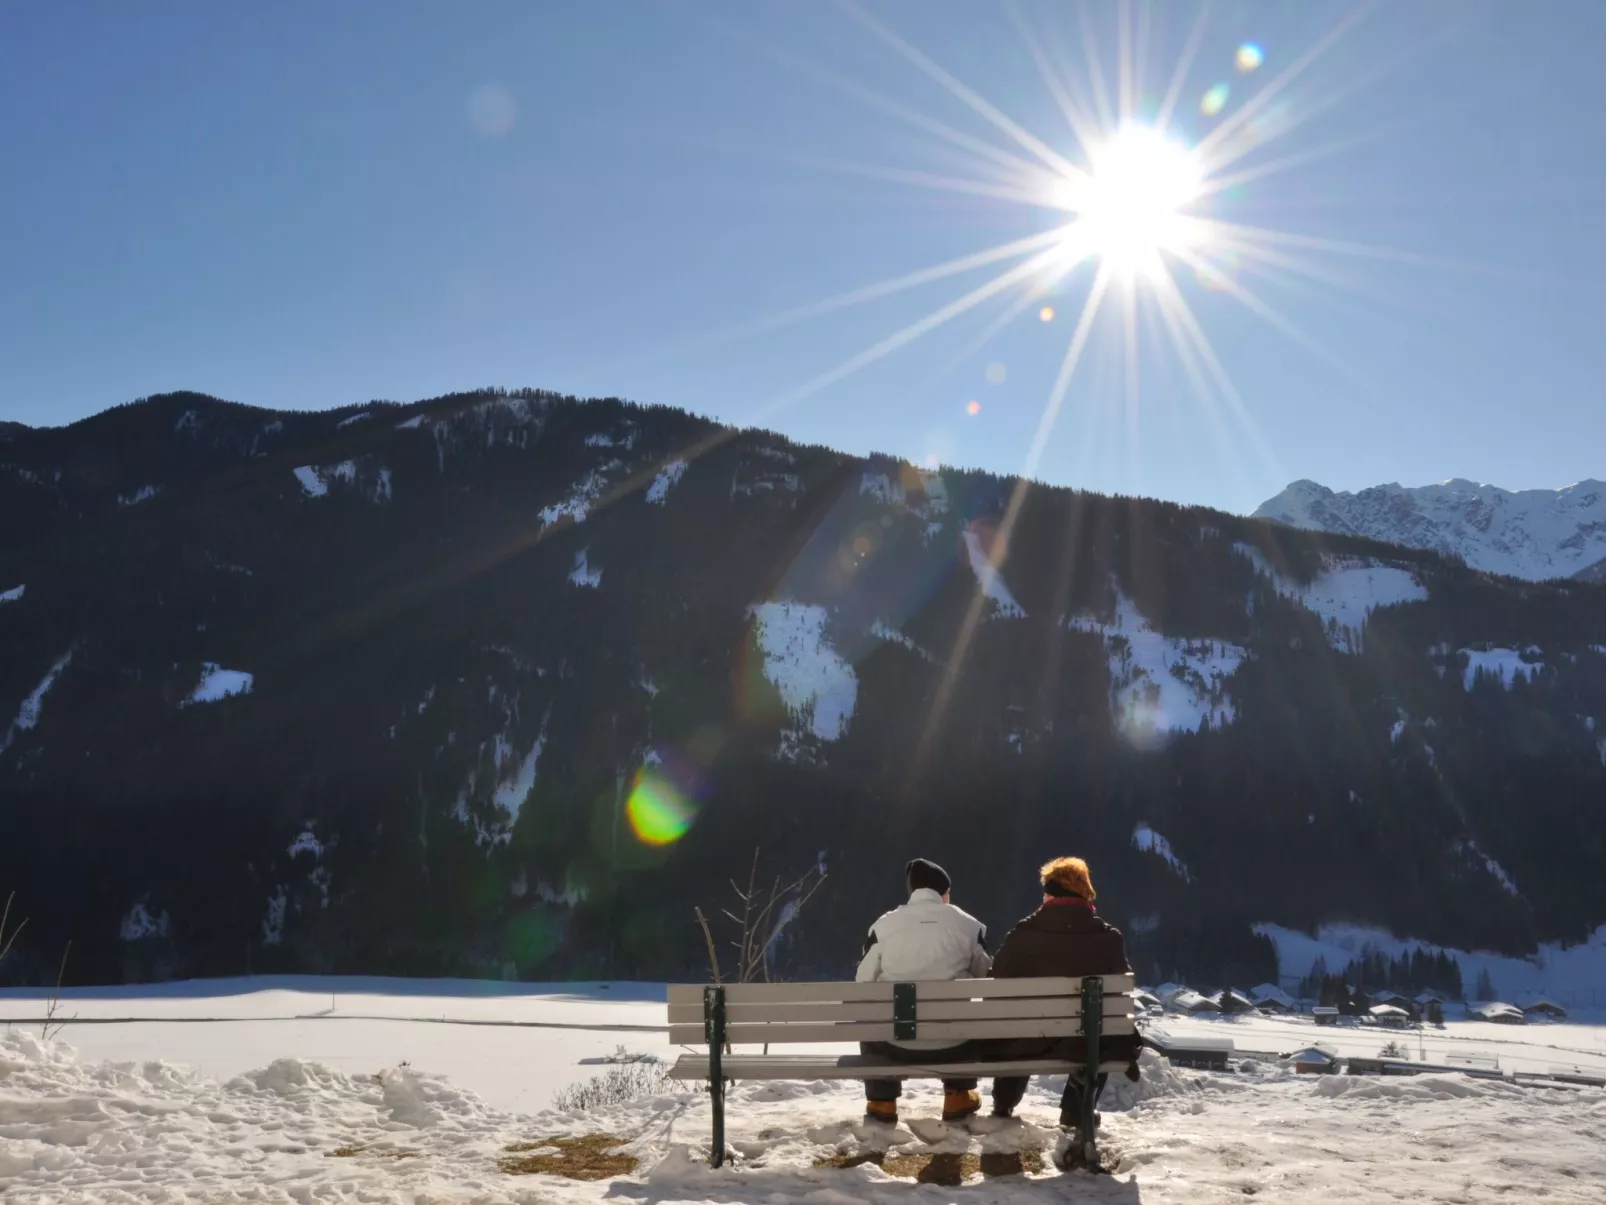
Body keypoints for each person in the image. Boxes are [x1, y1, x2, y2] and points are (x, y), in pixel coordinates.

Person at [987, 856, 1140, 1130]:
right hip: (1083, 1044)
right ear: (1084, 892)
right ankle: (1074, 1111)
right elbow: (1119, 998)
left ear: (1048, 894)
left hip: (1026, 1041)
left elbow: (995, 982)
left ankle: (1003, 1105)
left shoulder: (1022, 933)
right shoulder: (1109, 938)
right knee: (1100, 1036)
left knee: (1017, 1026)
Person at [855, 857, 992, 1124]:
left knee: (871, 1016)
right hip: (955, 1045)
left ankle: (882, 1101)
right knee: (970, 1015)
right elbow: (987, 975)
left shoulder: (883, 926)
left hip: (895, 1044)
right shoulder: (968, 925)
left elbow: (863, 981)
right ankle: (957, 1096)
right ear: (944, 893)